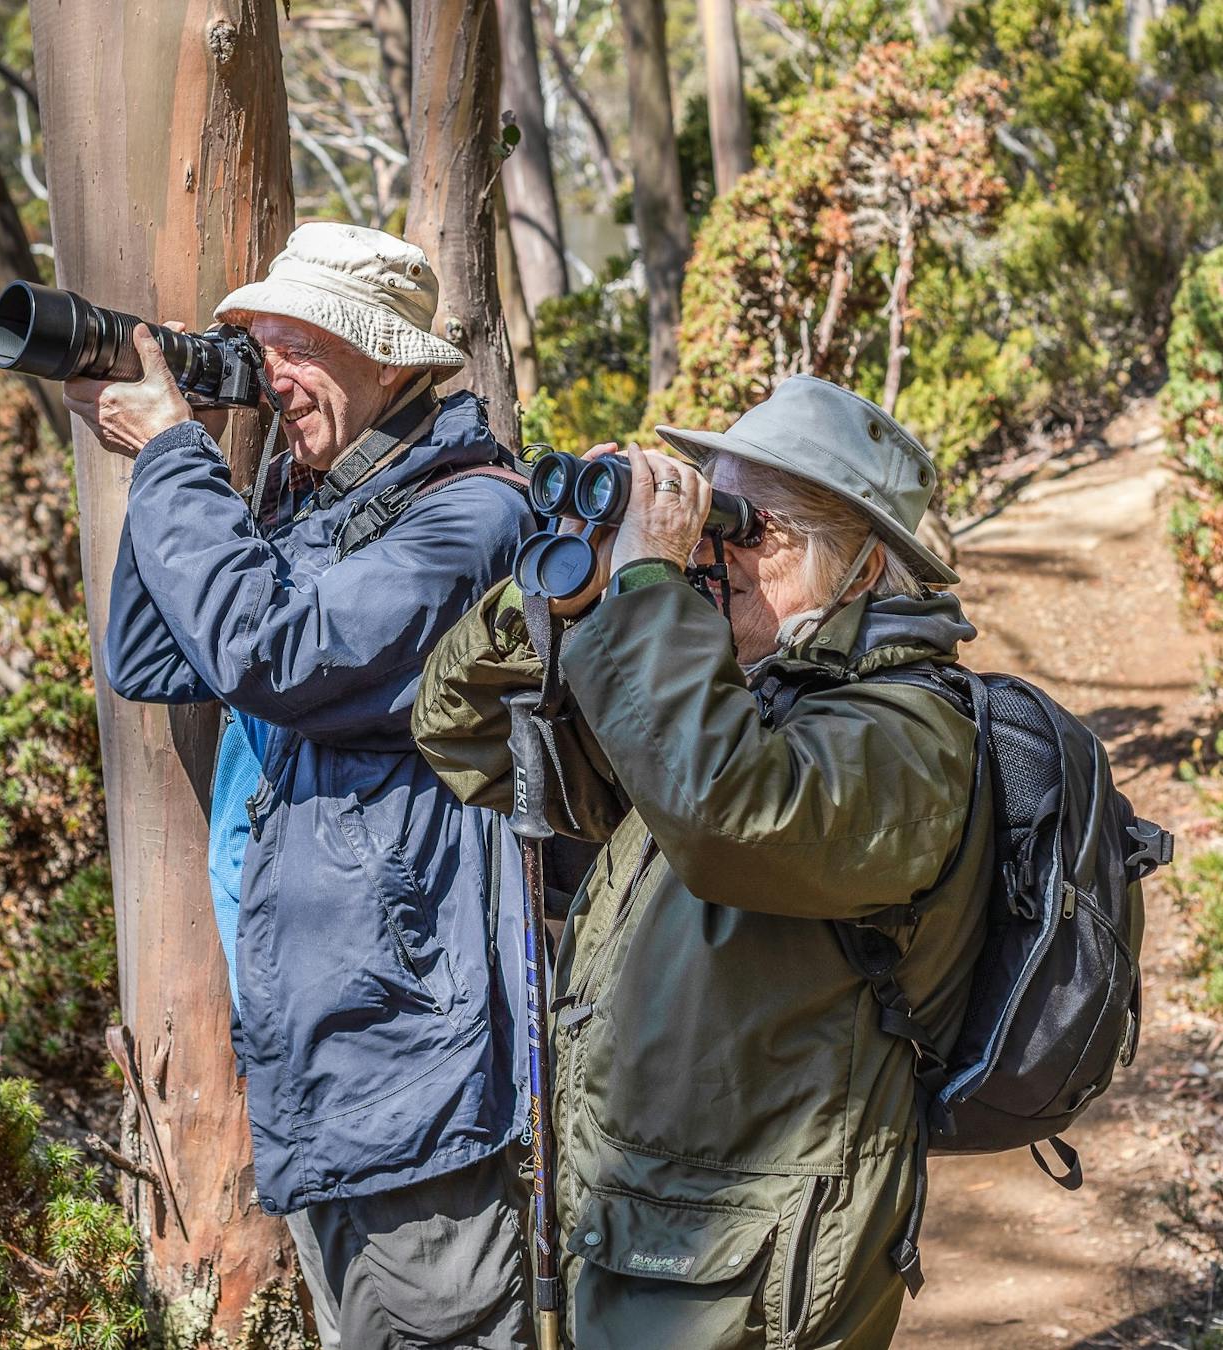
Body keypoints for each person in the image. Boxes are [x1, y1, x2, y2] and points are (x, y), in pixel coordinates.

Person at [411, 375, 992, 1348]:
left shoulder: (910, 738)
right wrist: (568, 581)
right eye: (707, 514)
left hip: (754, 1273)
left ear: (861, 568)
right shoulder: (718, 699)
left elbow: (730, 814)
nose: (708, 554)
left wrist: (649, 591)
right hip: (639, 1228)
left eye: (749, 529)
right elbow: (461, 731)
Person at [64, 222, 538, 1349]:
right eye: (258, 346)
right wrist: (172, 464)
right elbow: (153, 657)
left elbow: (271, 655)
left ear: (393, 359)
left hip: (417, 1052)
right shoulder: (322, 503)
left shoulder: (473, 516)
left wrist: (177, 458)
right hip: (326, 1043)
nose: (272, 375)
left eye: (299, 345)